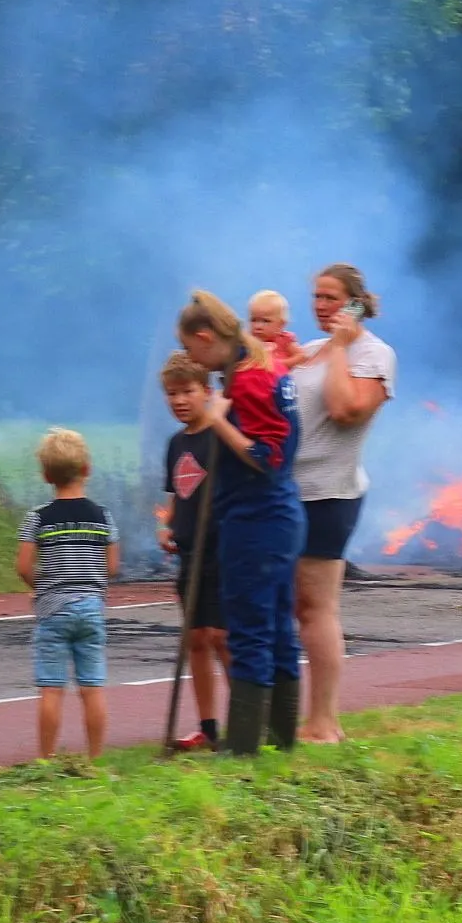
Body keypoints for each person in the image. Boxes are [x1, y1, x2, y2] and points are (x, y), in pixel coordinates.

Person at [176, 290, 304, 757]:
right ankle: (282, 741)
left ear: (206, 337)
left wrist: (216, 421)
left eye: (191, 350)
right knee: (277, 628)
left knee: (249, 629)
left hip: (258, 518)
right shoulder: (261, 362)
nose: (192, 361)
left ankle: (245, 748)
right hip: (280, 515)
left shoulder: (250, 380)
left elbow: (268, 457)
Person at [290, 264, 395, 745]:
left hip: (330, 493)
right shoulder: (308, 351)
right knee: (286, 605)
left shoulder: (375, 355)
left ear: (354, 303)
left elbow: (344, 410)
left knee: (316, 608)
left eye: (331, 297)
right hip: (284, 492)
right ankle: (282, 716)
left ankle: (324, 722)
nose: (320, 305)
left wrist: (338, 346)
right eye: (315, 297)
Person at [18, 428, 120, 760]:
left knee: (51, 687)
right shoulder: (103, 517)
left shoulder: (37, 518)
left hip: (52, 611)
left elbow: (22, 566)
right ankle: (95, 759)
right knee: (92, 687)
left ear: (46, 475)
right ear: (87, 469)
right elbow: (113, 566)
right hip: (91, 608)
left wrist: (41, 587)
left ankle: (46, 760)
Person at [157, 353, 228, 752]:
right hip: (189, 554)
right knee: (196, 638)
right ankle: (209, 726)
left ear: (207, 391)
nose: (179, 400)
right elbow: (175, 494)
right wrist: (166, 525)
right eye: (172, 393)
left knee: (223, 637)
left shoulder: (219, 438)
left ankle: (245, 719)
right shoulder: (175, 443)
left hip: (221, 550)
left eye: (187, 391)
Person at [248, 290, 300, 370]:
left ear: (281, 325)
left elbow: (301, 356)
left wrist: (281, 364)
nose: (258, 326)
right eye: (253, 320)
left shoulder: (284, 339)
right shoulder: (249, 341)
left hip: (280, 379)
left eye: (265, 321)